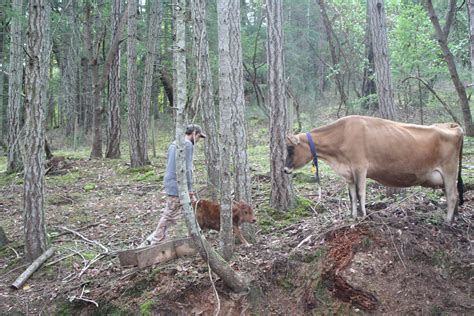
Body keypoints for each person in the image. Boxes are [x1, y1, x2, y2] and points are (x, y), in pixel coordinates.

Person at [150, 124, 207, 244]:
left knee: (194, 208)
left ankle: (196, 233)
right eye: (198, 137)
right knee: (170, 213)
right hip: (178, 184)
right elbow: (187, 168)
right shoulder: (187, 145)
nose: (197, 140)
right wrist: (190, 188)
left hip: (172, 182)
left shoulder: (174, 143)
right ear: (193, 133)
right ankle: (157, 239)